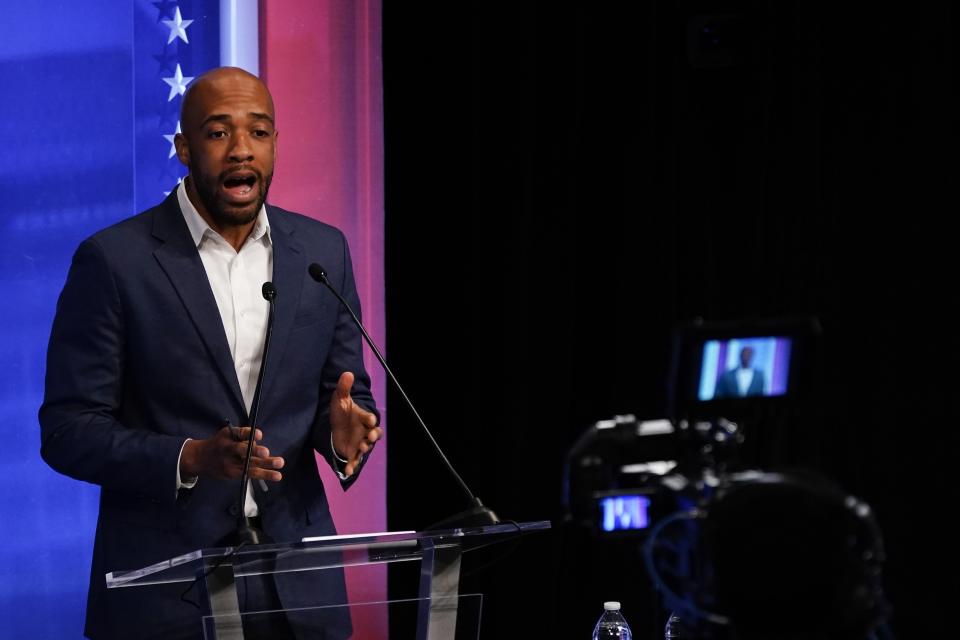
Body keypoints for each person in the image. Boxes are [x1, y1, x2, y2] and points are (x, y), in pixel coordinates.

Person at [38, 67, 382, 639]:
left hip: (297, 595)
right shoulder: (115, 262)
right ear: (183, 147)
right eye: (219, 133)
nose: (241, 150)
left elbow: (346, 396)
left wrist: (343, 436)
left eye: (260, 132)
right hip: (167, 597)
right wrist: (190, 457)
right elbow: (68, 430)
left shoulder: (323, 251)